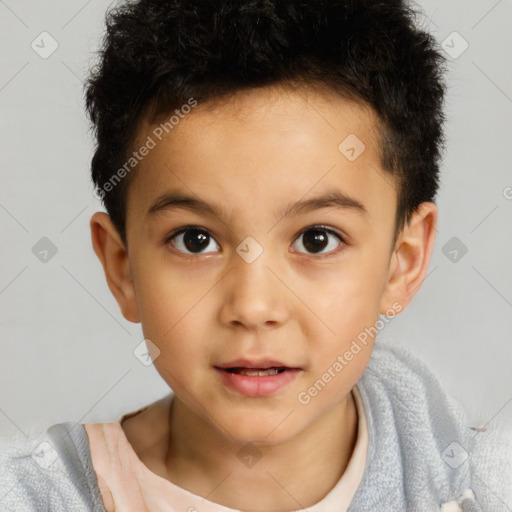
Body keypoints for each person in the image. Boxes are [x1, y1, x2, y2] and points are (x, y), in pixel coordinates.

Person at [1, 0, 511, 510]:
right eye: (195, 240)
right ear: (122, 267)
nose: (253, 306)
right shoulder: (35, 497)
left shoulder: (478, 484)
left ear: (403, 261)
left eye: (317, 239)